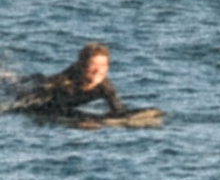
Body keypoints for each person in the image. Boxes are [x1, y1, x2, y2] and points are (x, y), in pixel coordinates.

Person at [7, 40, 139, 122]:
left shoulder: (105, 88)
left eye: (103, 66)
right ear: (82, 66)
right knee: (12, 82)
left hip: (59, 102)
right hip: (32, 86)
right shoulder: (63, 83)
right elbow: (22, 103)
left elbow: (118, 110)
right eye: (93, 66)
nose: (98, 71)